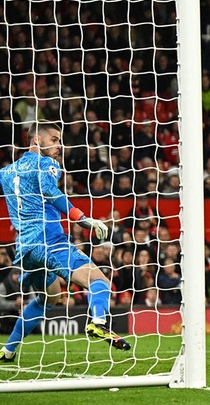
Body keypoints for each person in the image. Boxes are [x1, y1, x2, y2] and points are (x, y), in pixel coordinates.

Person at [0, 122, 130, 362]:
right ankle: (98, 322)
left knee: (49, 298)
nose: (59, 145)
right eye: (54, 139)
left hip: (26, 250)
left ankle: (8, 349)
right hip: (49, 240)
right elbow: (51, 192)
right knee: (99, 280)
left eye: (60, 140)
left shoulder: (6, 172)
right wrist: (81, 218)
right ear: (37, 140)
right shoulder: (47, 164)